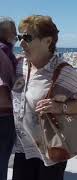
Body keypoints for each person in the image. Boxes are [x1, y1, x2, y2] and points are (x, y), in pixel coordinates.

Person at [11, 15, 77, 180]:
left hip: (50, 150)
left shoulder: (63, 71)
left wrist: (60, 107)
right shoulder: (19, 65)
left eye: (27, 38)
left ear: (48, 41)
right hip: (22, 148)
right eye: (19, 37)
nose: (21, 43)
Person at [0, 16, 17, 180]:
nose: (17, 37)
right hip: (4, 115)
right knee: (2, 158)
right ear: (8, 33)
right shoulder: (4, 51)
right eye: (16, 33)